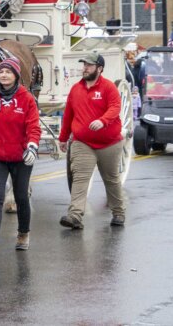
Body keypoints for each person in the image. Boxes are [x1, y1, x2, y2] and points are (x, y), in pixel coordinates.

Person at [0, 57, 41, 254]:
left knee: (21, 197)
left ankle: (23, 233)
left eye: (8, 72)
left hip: (21, 157)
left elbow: (33, 127)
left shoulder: (27, 99)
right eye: (1, 71)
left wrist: (32, 147)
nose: (4, 75)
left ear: (16, 76)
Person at [58, 52, 126, 229]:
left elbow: (115, 107)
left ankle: (118, 212)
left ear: (99, 68)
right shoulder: (75, 89)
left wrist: (102, 120)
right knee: (80, 178)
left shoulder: (108, 87)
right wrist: (63, 138)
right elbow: (68, 116)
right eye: (84, 64)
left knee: (111, 179)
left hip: (109, 143)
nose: (85, 68)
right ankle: (75, 216)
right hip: (82, 142)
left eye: (89, 65)